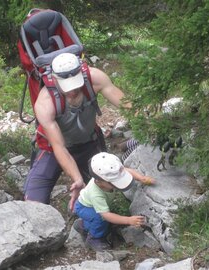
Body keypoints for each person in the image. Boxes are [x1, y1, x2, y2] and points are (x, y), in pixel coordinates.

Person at [24, 52, 129, 211]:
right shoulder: (45, 103)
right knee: (33, 203)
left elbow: (128, 106)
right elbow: (59, 147)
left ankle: (90, 225)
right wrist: (77, 179)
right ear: (55, 79)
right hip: (52, 150)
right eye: (67, 87)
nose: (72, 91)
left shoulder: (95, 79)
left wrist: (152, 119)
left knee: (105, 195)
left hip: (89, 143)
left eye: (76, 85)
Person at [73, 152, 155, 251]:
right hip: (84, 207)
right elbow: (106, 215)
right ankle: (94, 238)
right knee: (100, 218)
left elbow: (127, 171)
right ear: (99, 181)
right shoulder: (96, 194)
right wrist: (128, 220)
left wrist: (141, 178)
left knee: (103, 219)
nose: (117, 183)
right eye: (114, 182)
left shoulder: (109, 176)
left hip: (93, 205)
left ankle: (83, 224)